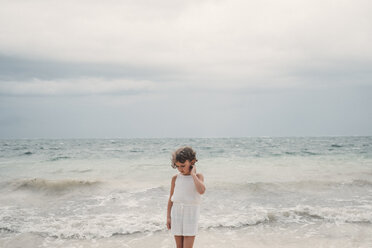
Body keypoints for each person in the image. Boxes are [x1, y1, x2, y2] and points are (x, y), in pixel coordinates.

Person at [166, 146, 206, 248]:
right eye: (177, 166)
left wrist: (193, 174)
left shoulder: (198, 176)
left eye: (183, 166)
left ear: (192, 162)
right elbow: (171, 199)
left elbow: (201, 191)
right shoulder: (175, 178)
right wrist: (168, 217)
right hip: (177, 212)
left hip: (191, 214)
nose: (180, 169)